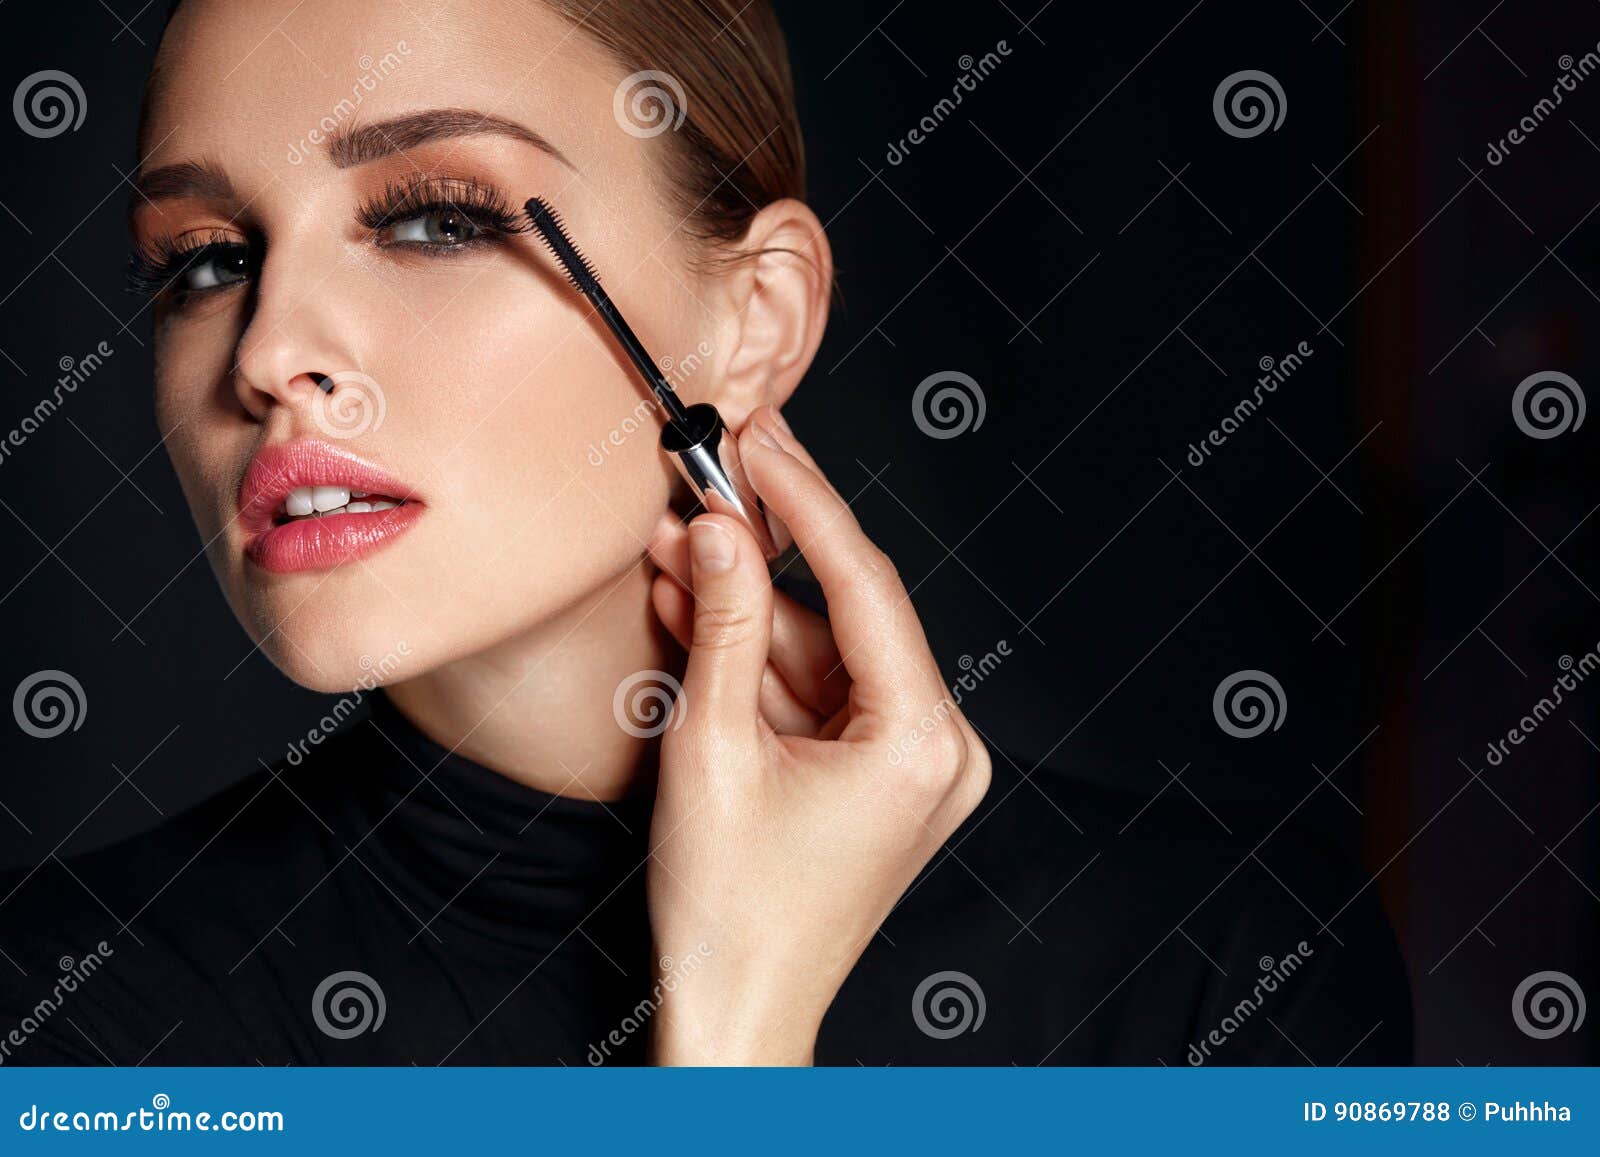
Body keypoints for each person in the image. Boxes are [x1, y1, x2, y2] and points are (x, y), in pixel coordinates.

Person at [0, 0, 1411, 1066]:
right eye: (206, 259)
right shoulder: (73, 1012)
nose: (269, 350)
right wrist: (733, 1041)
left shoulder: (1220, 971)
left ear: (755, 322)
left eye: (434, 218)